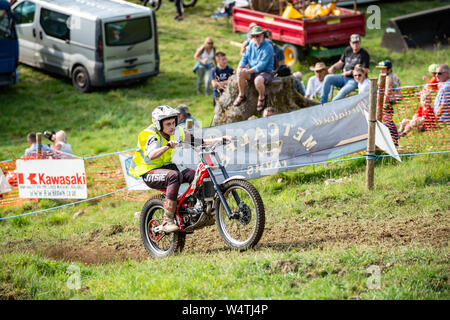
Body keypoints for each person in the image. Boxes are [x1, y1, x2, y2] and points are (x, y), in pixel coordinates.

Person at [128, 105, 230, 233]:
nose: (172, 126)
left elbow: (198, 141)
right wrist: (167, 146)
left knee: (195, 174)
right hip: (148, 171)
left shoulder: (177, 131)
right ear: (159, 124)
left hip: (166, 167)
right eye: (168, 124)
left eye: (173, 122)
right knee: (174, 176)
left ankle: (198, 209)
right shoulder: (149, 135)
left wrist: (219, 139)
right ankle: (167, 220)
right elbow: (152, 155)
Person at [319, 34, 370, 104]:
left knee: (342, 91)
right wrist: (333, 67)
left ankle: (331, 105)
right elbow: (341, 62)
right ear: (350, 43)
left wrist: (350, 72)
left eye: (357, 42)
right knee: (328, 78)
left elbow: (365, 70)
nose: (355, 45)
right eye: (353, 43)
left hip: (354, 80)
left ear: (360, 42)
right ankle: (322, 103)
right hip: (342, 77)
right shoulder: (348, 50)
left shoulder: (364, 54)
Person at [233, 25, 274, 111]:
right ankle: (241, 95)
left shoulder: (268, 47)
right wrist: (240, 67)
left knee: (258, 80)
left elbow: (262, 65)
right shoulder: (251, 44)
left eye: (257, 35)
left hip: (266, 71)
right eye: (253, 36)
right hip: (252, 71)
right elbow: (245, 57)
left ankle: (261, 97)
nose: (255, 37)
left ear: (262, 35)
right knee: (240, 73)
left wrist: (248, 71)